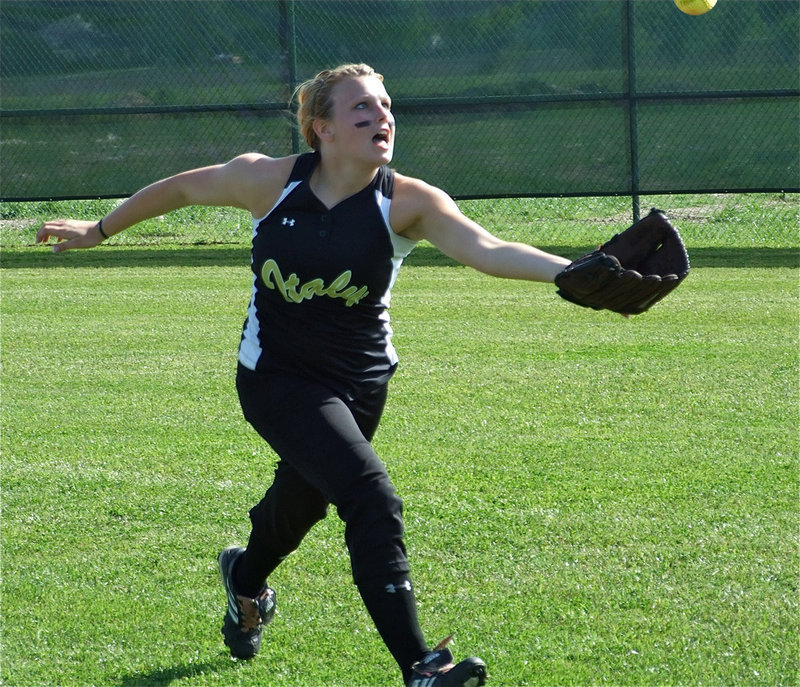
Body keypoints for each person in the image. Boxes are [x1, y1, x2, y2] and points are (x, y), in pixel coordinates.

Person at [37, 63, 571, 687]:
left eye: (386, 105)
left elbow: (489, 249)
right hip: (277, 379)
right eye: (362, 109)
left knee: (302, 501)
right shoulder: (269, 181)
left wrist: (577, 270)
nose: (382, 117)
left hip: (363, 385)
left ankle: (244, 579)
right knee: (370, 497)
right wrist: (98, 229)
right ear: (323, 129)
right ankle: (422, 668)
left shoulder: (406, 200)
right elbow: (180, 190)